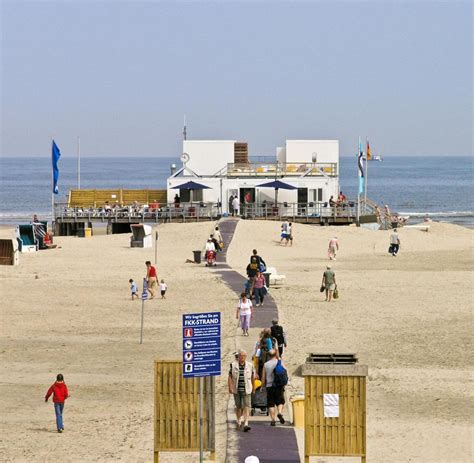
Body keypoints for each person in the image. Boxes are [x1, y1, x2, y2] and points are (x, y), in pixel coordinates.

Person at [228, 350, 255, 432]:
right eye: (241, 356)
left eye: (244, 356)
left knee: (247, 406)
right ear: (238, 357)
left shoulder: (250, 365)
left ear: (246, 357)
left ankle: (246, 423)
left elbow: (253, 377)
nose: (242, 357)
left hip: (247, 389)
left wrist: (254, 388)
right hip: (237, 389)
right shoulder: (233, 365)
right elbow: (230, 377)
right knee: (238, 406)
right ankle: (239, 420)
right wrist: (230, 387)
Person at [261, 350, 286, 426]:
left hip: (269, 386)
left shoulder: (266, 364)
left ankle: (273, 420)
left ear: (268, 356)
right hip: (278, 385)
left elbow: (263, 377)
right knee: (280, 401)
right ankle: (280, 413)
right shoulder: (280, 362)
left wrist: (262, 386)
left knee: (271, 403)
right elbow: (284, 372)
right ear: (276, 355)